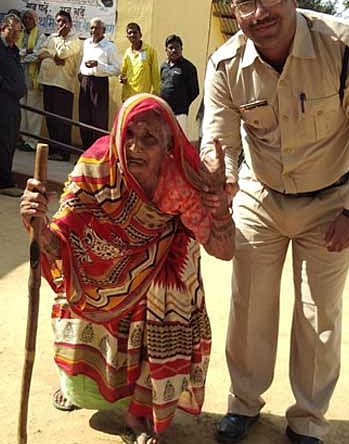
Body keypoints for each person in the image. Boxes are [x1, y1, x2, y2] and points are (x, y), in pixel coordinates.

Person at [203, 0, 349, 443]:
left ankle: (307, 419)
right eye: (246, 3)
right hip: (259, 198)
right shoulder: (225, 66)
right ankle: (243, 404)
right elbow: (218, 144)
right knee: (249, 308)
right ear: (234, 8)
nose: (259, 12)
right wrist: (217, 198)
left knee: (318, 315)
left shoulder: (346, 47)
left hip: (331, 203)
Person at [19, 94, 235, 444]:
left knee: (170, 297)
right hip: (106, 257)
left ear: (168, 144)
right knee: (79, 276)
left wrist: (219, 207)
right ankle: (76, 387)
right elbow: (61, 241)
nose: (133, 147)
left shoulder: (181, 178)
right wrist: (38, 227)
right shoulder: (98, 164)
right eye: (129, 134)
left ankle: (140, 412)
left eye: (149, 139)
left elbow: (224, 251)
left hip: (164, 256)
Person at [37, 9, 82, 162]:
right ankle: (54, 149)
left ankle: (63, 152)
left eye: (64, 21)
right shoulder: (51, 37)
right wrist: (52, 54)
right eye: (58, 21)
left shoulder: (75, 40)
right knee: (50, 118)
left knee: (62, 120)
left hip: (63, 84)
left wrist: (59, 43)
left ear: (70, 24)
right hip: (48, 81)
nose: (60, 24)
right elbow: (39, 52)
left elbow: (63, 54)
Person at [79, 17, 121, 148]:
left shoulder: (110, 47)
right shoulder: (86, 43)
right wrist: (81, 71)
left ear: (103, 30)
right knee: (84, 117)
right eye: (91, 27)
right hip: (85, 81)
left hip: (100, 83)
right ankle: (86, 149)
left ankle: (98, 150)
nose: (94, 30)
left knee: (98, 118)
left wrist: (98, 66)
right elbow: (83, 60)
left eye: (97, 28)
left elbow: (117, 69)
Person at [0, 14, 25, 196]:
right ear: (3, 28)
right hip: (3, 101)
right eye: (13, 30)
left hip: (13, 104)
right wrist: (8, 87)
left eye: (18, 32)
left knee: (10, 141)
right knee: (2, 141)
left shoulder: (13, 50)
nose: (16, 35)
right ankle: (3, 182)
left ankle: (5, 178)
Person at [17, 9, 46, 152]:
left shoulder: (40, 35)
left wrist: (23, 55)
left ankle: (32, 142)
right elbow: (15, 53)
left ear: (35, 20)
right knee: (22, 110)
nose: (27, 20)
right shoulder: (19, 34)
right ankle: (24, 139)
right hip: (20, 78)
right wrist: (25, 52)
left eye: (30, 18)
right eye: (25, 18)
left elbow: (37, 55)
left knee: (34, 111)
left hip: (34, 79)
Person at [159, 34, 199, 135]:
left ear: (181, 48)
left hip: (180, 113)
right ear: (166, 50)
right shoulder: (164, 66)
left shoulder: (188, 67)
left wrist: (183, 104)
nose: (174, 50)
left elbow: (194, 91)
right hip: (165, 112)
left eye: (177, 47)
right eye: (171, 48)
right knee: (165, 138)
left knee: (179, 139)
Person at [120, 23, 160, 101]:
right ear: (127, 37)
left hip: (143, 97)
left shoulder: (150, 51)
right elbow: (123, 72)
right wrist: (122, 78)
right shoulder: (127, 52)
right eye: (130, 33)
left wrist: (156, 93)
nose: (132, 35)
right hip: (129, 96)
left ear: (140, 35)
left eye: (135, 32)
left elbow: (155, 74)